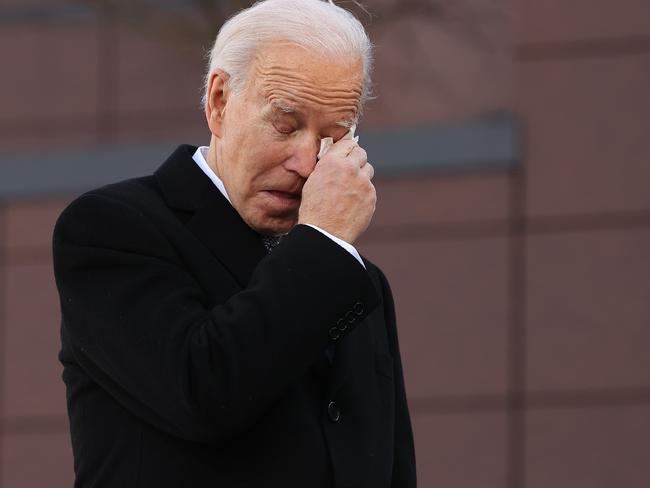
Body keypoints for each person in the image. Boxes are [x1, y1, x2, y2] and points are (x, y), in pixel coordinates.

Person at [52, 0, 416, 486]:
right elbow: (204, 393)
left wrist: (327, 250)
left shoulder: (357, 278)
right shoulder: (113, 229)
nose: (308, 163)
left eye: (334, 137)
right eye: (285, 125)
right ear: (219, 100)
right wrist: (325, 242)